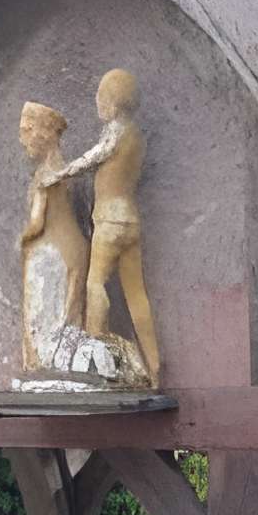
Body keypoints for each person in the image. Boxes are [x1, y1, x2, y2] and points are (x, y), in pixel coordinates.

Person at [42, 68, 158, 383]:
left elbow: (95, 157)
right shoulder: (138, 136)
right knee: (137, 295)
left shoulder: (116, 131)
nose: (96, 102)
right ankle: (155, 369)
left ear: (113, 101)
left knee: (95, 284)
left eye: (100, 96)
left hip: (109, 220)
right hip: (131, 220)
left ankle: (97, 355)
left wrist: (61, 173)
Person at [16, 101, 88, 371]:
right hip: (73, 251)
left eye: (26, 131)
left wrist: (21, 241)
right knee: (66, 322)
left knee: (44, 324)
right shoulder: (63, 170)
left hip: (51, 257)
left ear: (43, 134)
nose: (21, 139)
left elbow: (37, 223)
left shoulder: (45, 176)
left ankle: (42, 369)